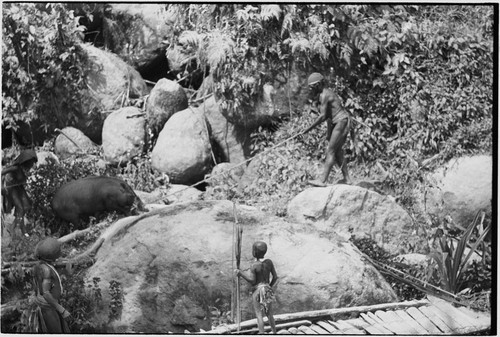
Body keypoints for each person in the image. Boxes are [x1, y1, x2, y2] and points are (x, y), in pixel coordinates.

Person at [302, 72, 352, 186]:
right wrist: (329, 133)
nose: (311, 90)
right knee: (337, 151)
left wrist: (308, 129)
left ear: (319, 84)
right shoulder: (321, 95)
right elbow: (329, 117)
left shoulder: (325, 94)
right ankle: (347, 179)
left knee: (331, 151)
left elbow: (323, 116)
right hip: (338, 122)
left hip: (341, 121)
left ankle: (322, 181)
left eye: (312, 87)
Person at [235, 241, 278, 334]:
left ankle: (261, 334)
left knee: (259, 315)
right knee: (270, 314)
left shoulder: (254, 265)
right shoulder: (269, 262)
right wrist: (269, 287)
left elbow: (252, 281)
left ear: (254, 252)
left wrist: (240, 273)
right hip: (267, 289)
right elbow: (275, 277)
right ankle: (275, 333)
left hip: (258, 290)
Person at [32, 237, 71, 333]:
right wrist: (61, 309)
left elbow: (37, 286)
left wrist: (67, 270)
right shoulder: (46, 270)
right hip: (49, 308)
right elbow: (46, 293)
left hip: (49, 306)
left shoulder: (40, 266)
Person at [1, 149, 38, 234]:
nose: (32, 164)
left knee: (27, 205)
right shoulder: (15, 168)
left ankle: (18, 226)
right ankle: (16, 229)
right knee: (20, 208)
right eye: (31, 162)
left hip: (19, 188)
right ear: (26, 161)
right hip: (11, 189)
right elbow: (2, 173)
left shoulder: (24, 169)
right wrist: (2, 186)